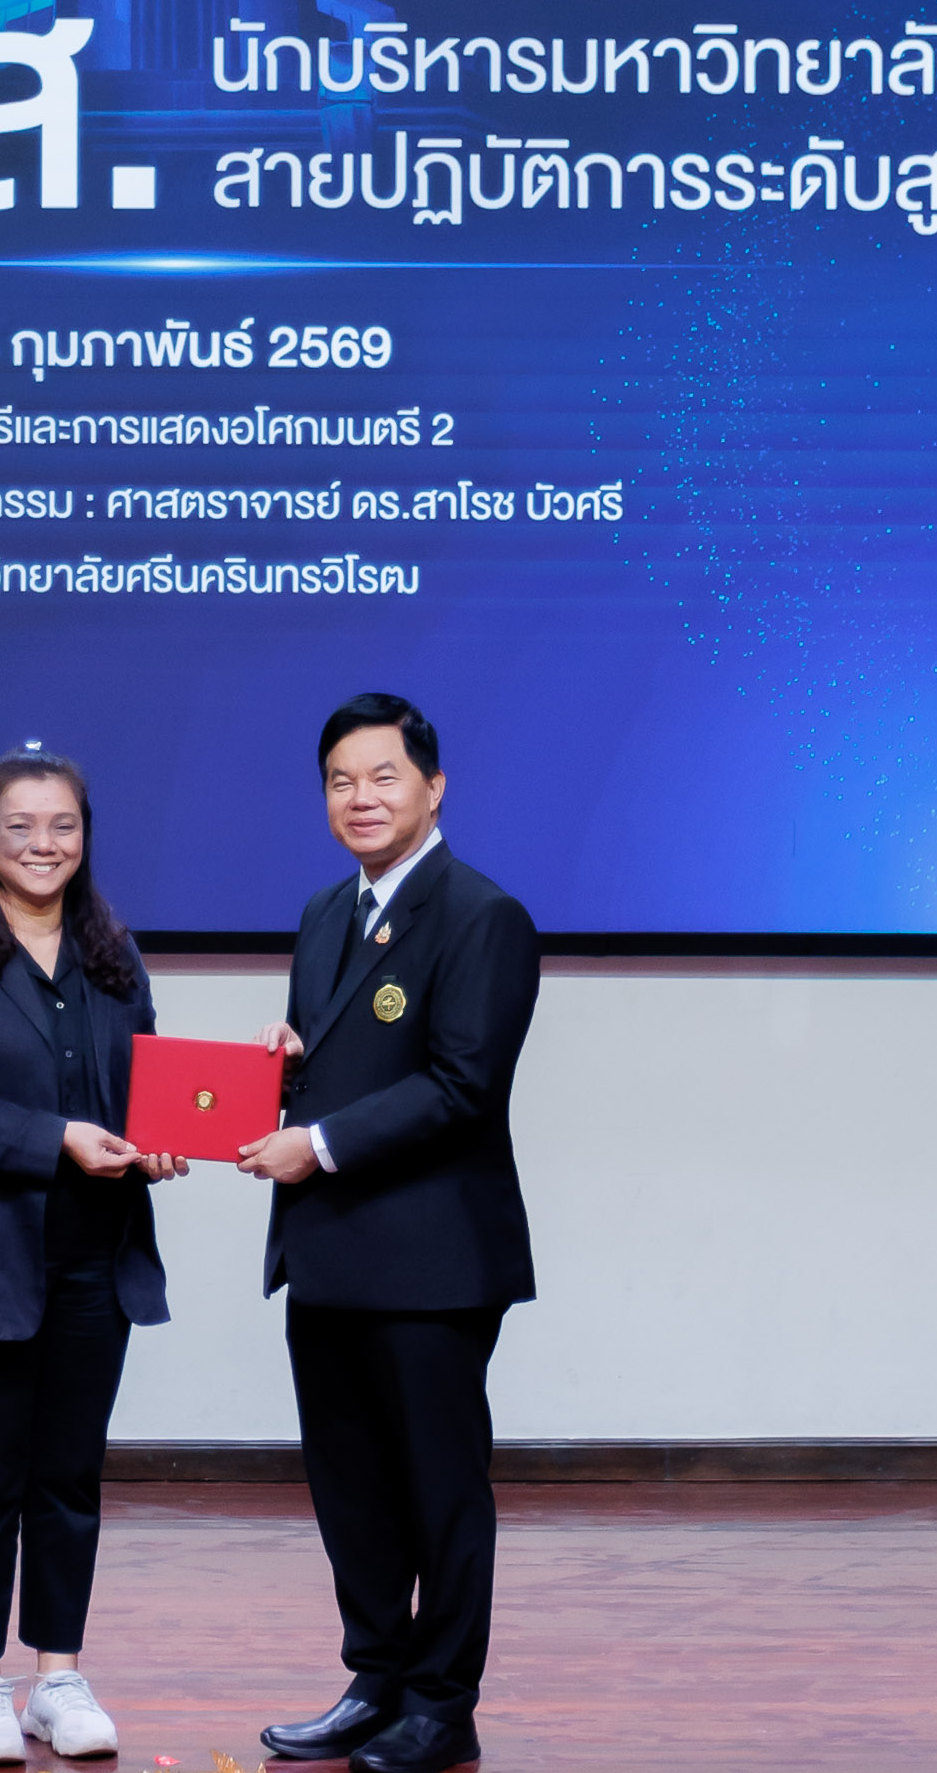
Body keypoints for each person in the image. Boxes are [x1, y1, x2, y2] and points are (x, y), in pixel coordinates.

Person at [237, 693, 541, 1773]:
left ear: (434, 786)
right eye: (338, 781)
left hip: (430, 1261)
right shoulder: (328, 912)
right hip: (328, 1252)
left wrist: (313, 1140)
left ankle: (441, 1703)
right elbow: (349, 1063)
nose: (359, 799)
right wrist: (285, 1066)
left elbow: (461, 1087)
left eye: (382, 777)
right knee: (352, 1486)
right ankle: (375, 1680)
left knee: (438, 1492)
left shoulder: (481, 915)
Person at [0, 746, 189, 1764]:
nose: (44, 844)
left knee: (70, 1477)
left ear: (85, 837)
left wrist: (156, 1143)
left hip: (95, 1260)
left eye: (63, 826)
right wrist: (56, 1135)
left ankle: (59, 1673)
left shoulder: (115, 953)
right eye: (21, 827)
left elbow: (145, 1090)